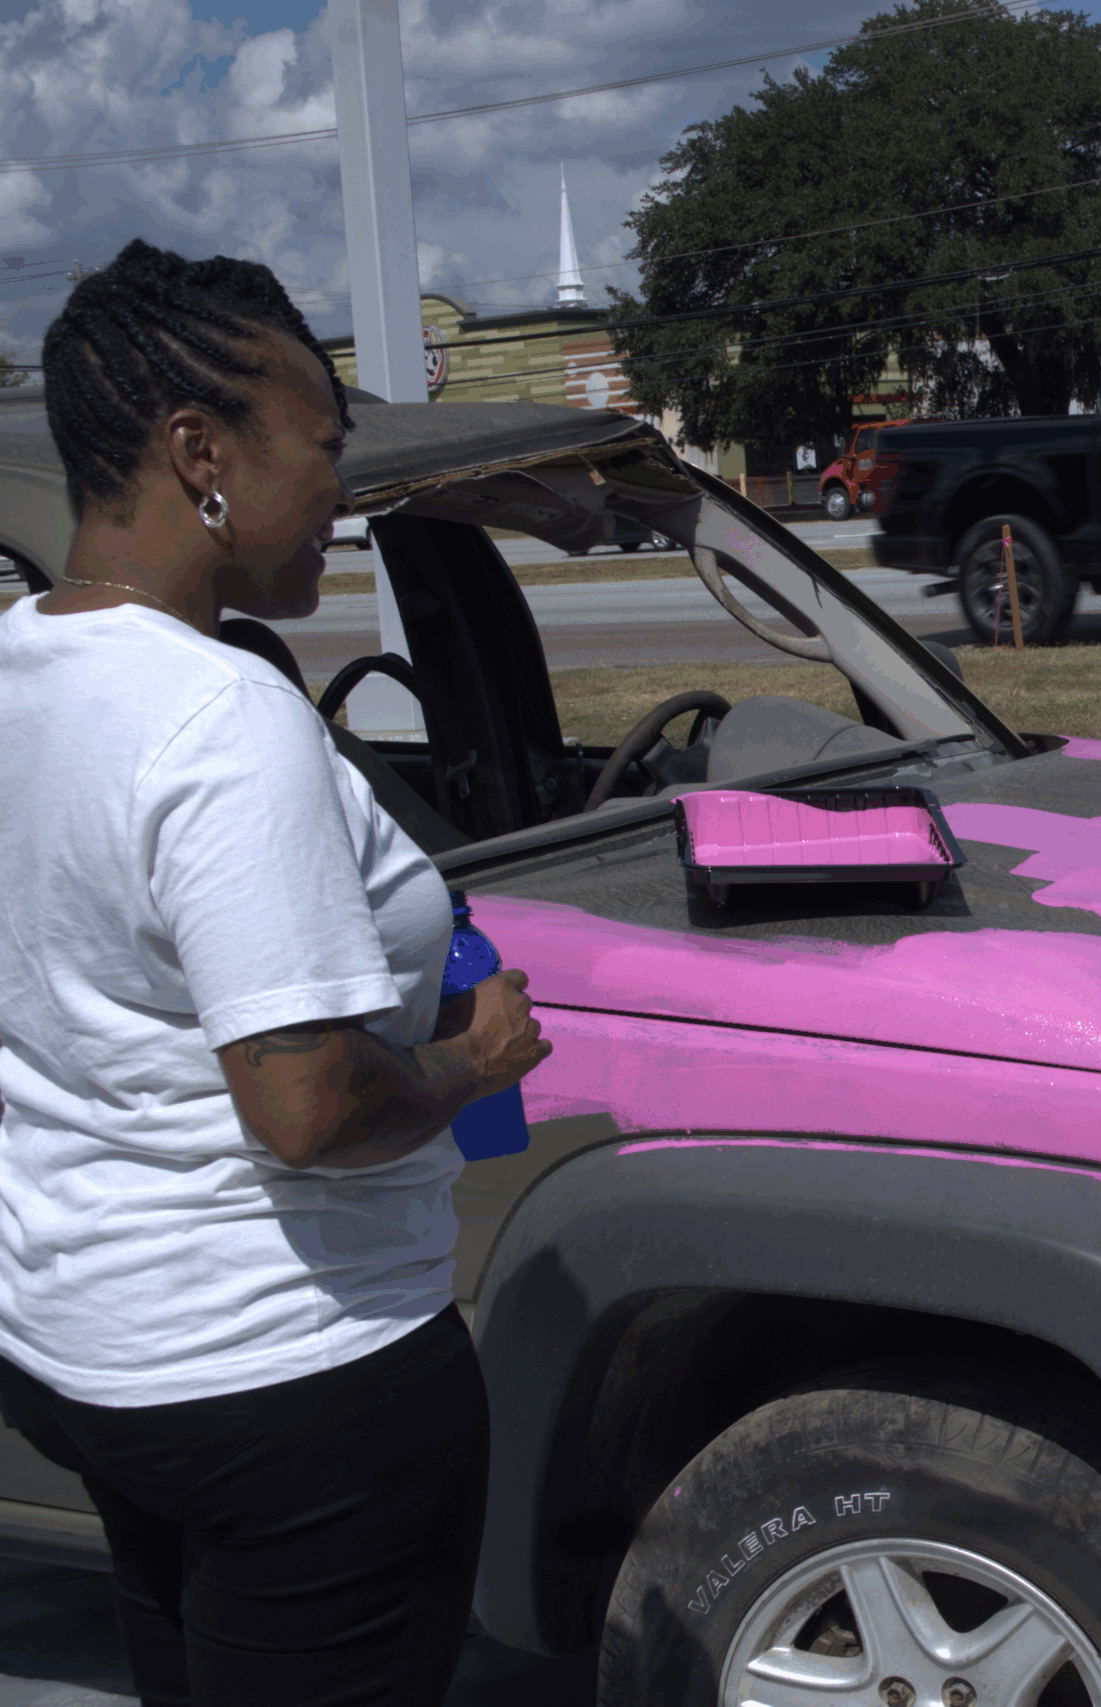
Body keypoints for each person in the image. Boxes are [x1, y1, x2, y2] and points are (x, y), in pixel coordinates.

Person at [0, 240, 550, 1706]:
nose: (340, 493)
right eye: (324, 447)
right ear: (201, 454)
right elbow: (304, 1106)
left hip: (91, 1351)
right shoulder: (221, 716)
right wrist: (476, 1058)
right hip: (294, 1382)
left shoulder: (19, 667)